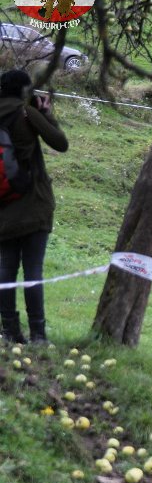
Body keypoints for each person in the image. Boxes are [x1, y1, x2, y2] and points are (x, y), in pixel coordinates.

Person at [0, 70, 69, 343]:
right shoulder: (26, 113)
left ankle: (9, 331)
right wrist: (45, 113)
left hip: (3, 206)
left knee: (5, 271)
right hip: (33, 203)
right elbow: (60, 143)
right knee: (33, 271)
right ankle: (38, 334)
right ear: (24, 91)